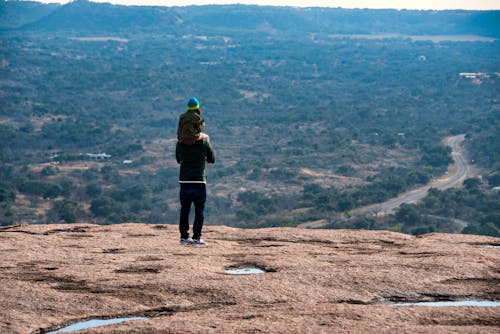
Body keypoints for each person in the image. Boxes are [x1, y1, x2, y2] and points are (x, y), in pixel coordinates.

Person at [176, 117, 215, 246]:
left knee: (184, 210)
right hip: (199, 181)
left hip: (184, 181)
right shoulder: (204, 143)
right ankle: (197, 238)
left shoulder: (180, 143)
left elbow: (178, 159)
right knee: (199, 210)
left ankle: (183, 237)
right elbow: (212, 158)